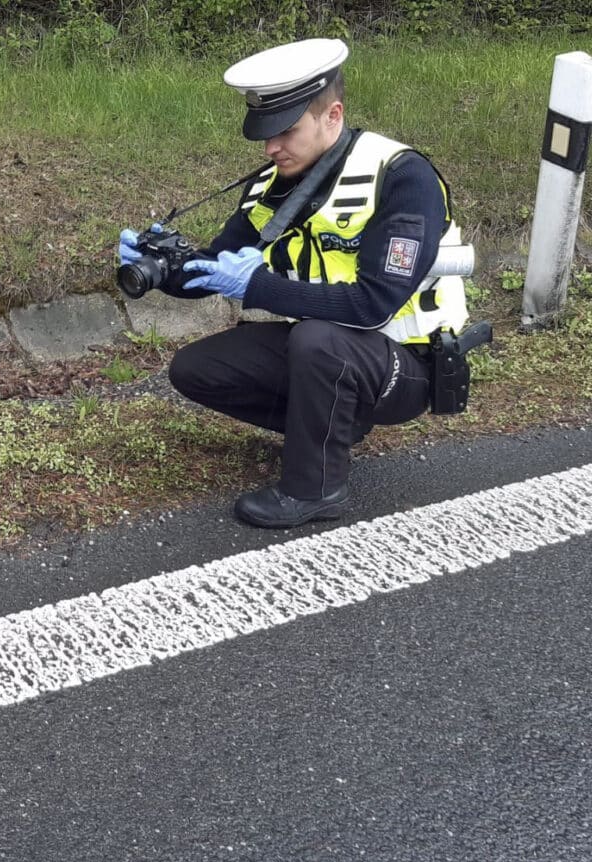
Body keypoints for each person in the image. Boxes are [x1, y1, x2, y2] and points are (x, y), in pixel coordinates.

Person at [118, 38, 468, 529]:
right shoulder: (269, 184)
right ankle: (332, 426)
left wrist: (257, 287)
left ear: (333, 115)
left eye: (286, 131)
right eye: (264, 135)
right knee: (196, 367)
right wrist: (163, 269)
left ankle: (314, 490)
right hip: (332, 354)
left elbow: (375, 306)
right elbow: (215, 267)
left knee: (316, 338)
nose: (270, 148)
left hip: (407, 364)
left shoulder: (401, 177)